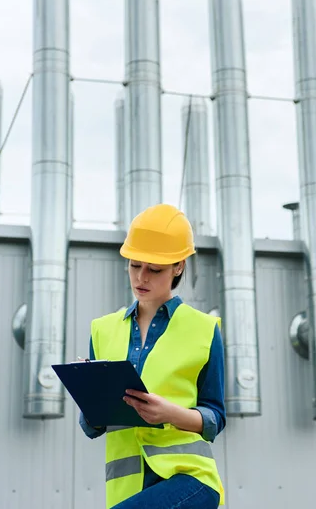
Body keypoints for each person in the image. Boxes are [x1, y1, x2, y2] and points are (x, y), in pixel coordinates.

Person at [79, 203, 226, 508]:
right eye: (134, 265)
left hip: (189, 481)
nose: (141, 278)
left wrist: (170, 414)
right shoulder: (102, 331)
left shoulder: (204, 330)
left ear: (178, 267)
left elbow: (215, 416)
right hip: (129, 490)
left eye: (154, 269)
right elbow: (91, 426)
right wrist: (89, 396)